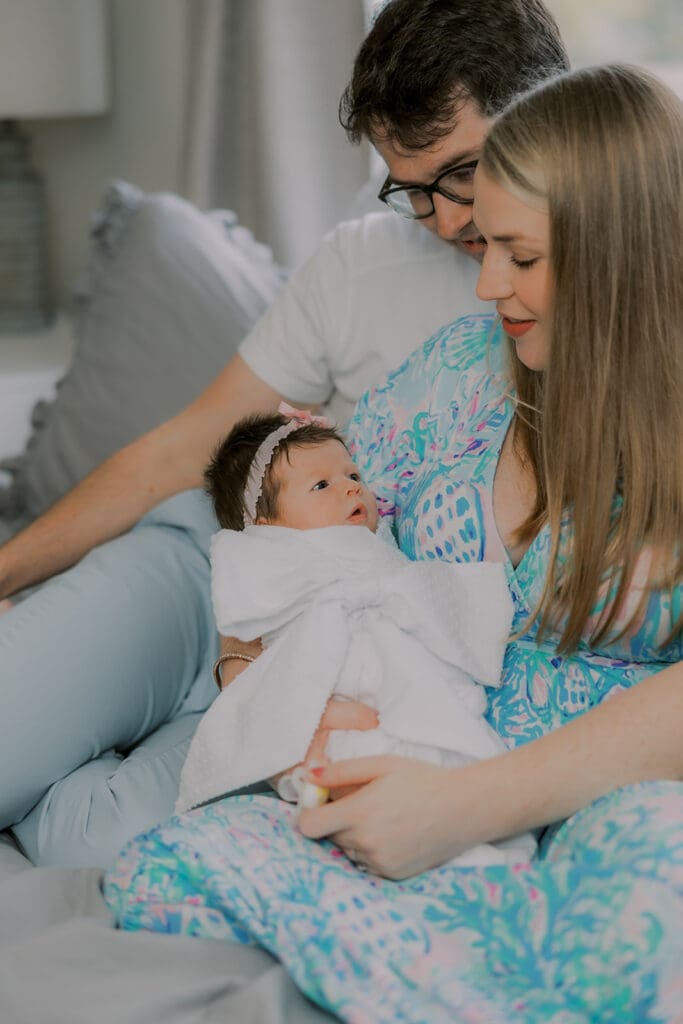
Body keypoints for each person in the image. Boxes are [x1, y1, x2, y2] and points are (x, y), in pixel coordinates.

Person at [104, 65, 683, 1020]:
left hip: (610, 788)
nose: (487, 282)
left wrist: (471, 806)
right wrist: (260, 670)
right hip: (417, 748)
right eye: (483, 245)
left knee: (645, 914)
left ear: (622, 252)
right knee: (158, 874)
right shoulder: (462, 372)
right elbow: (304, 530)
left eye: (520, 255)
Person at [0, 0, 570, 867]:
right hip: (208, 573)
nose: (449, 222)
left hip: (338, 670)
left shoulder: (607, 301)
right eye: (409, 189)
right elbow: (179, 449)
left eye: (460, 173)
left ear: (554, 116)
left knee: (100, 848)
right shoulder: (360, 263)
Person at [175, 406, 535, 864]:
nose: (351, 486)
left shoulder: (380, 545)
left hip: (407, 683)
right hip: (330, 694)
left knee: (451, 757)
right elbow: (252, 622)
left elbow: (427, 592)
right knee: (352, 766)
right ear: (266, 529)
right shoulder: (266, 560)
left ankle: (476, 847)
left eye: (353, 474)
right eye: (321, 485)